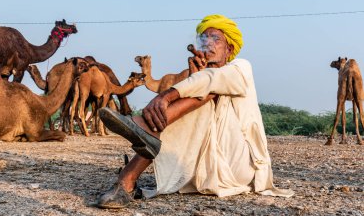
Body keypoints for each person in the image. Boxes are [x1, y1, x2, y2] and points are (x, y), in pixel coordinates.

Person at [96, 14, 294, 209]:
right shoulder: (203, 76)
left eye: (216, 39)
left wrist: (165, 96)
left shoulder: (240, 68)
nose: (209, 43)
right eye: (204, 38)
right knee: (201, 91)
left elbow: (212, 81)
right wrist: (194, 75)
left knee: (207, 93)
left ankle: (129, 172)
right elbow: (203, 81)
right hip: (203, 169)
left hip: (239, 166)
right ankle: (148, 135)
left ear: (229, 49)